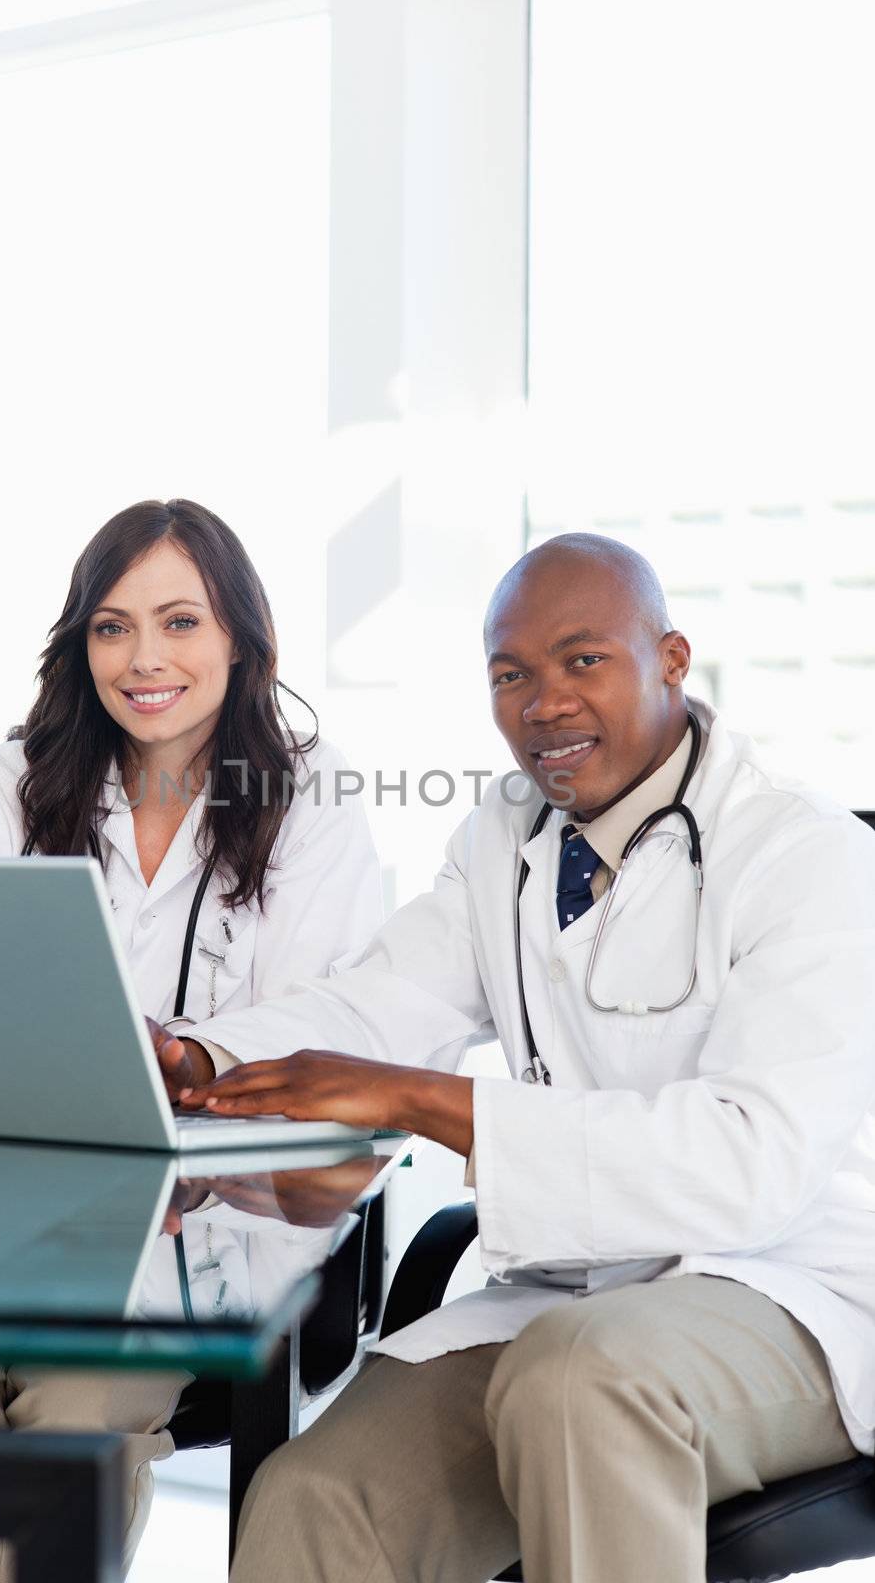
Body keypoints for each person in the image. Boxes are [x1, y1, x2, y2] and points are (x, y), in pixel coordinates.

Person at [168, 532, 875, 1583]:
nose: (541, 702)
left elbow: (749, 1166)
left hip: (795, 1290)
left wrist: (420, 1098)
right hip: (573, 1292)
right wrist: (203, 1053)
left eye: (581, 659)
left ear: (671, 659)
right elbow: (379, 1003)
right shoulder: (506, 837)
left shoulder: (804, 853)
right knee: (313, 1498)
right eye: (510, 674)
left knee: (575, 1379)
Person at [0, 497, 382, 1583]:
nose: (144, 657)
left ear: (240, 637)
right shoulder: (3, 787)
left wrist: (178, 1067)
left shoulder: (312, 807)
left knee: (74, 1404)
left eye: (179, 621)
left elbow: (327, 1041)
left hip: (202, 1217)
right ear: (78, 642)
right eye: (111, 625)